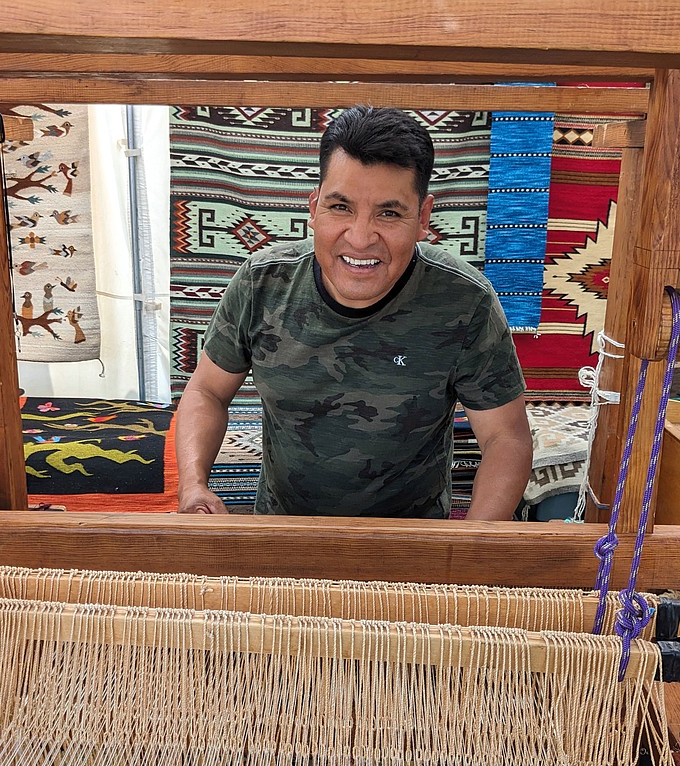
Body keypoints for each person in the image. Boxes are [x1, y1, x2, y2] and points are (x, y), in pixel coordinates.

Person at [176, 105, 532, 520]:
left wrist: (469, 551)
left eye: (389, 213)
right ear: (313, 207)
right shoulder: (261, 284)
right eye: (340, 207)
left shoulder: (464, 301)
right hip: (281, 531)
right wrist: (193, 484)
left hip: (411, 543)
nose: (360, 238)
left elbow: (506, 437)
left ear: (423, 218)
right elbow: (207, 391)